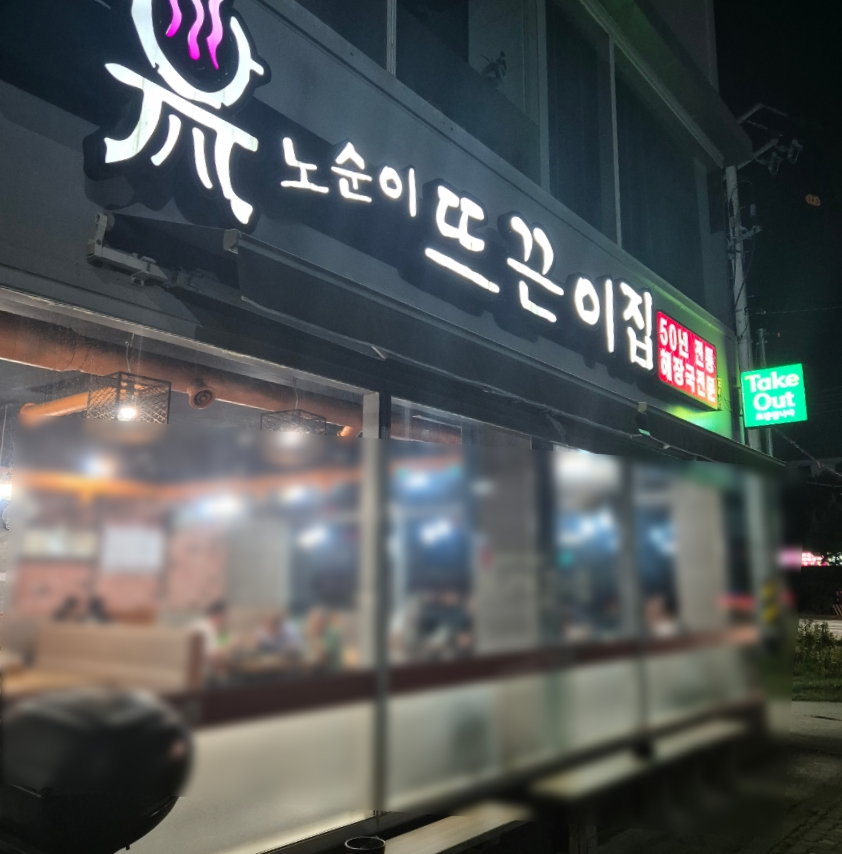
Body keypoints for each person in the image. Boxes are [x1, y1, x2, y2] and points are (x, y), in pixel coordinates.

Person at [191, 600, 233, 681]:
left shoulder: (214, 628)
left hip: (202, 674)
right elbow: (215, 660)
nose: (227, 619)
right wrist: (232, 645)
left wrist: (224, 633)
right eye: (226, 616)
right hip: (203, 678)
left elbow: (222, 648)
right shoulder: (205, 630)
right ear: (219, 616)